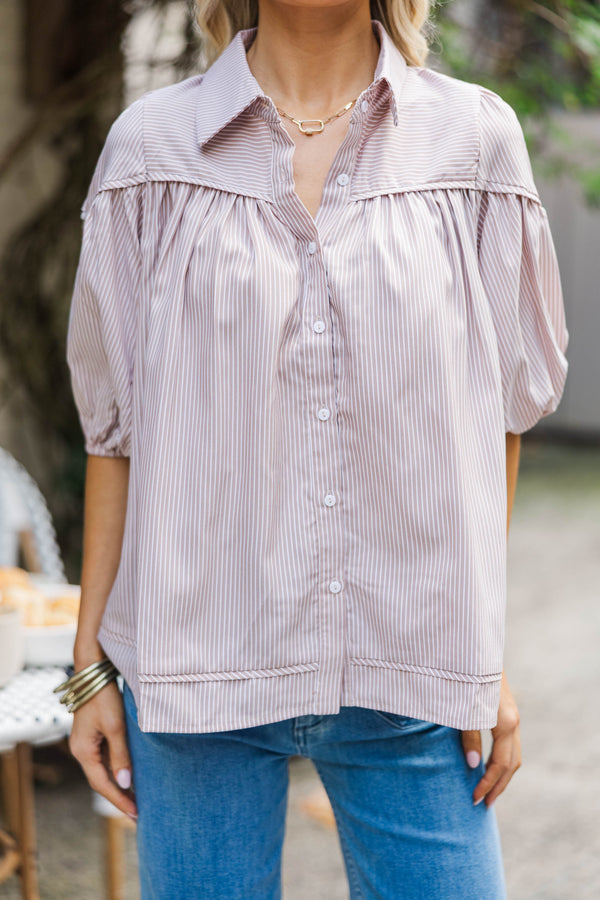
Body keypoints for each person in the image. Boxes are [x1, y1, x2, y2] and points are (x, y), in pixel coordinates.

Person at [61, 1, 569, 897]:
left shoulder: (475, 141)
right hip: (192, 685)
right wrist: (89, 672)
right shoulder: (150, 150)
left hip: (413, 680)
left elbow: (500, 421)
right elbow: (115, 434)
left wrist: (482, 663)